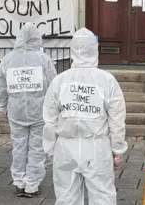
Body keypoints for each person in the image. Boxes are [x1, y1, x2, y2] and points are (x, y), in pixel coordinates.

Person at [42, 28, 127, 205]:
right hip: (97, 147)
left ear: (72, 50)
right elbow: (117, 120)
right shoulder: (107, 80)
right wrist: (117, 149)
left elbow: (50, 120)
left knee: (66, 197)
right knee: (102, 196)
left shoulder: (60, 81)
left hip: (65, 146)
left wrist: (50, 148)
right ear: (95, 50)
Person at [0, 23, 57, 198]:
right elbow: (53, 85)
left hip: (15, 111)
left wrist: (2, 105)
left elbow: (1, 86)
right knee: (37, 147)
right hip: (39, 110)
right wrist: (53, 109)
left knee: (19, 146)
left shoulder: (7, 59)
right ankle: (32, 185)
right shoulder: (44, 59)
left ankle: (19, 182)